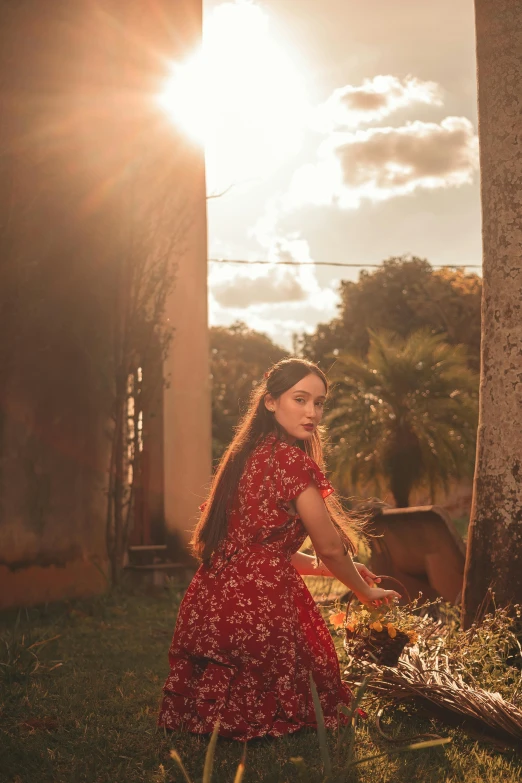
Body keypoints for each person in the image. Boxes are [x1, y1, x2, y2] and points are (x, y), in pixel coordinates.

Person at [158, 358, 400, 741]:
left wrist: (326, 571)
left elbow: (264, 552)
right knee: (312, 672)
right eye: (300, 400)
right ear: (270, 402)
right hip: (259, 605)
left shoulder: (243, 457)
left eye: (319, 403)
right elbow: (331, 547)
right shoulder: (292, 462)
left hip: (210, 602)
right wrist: (363, 590)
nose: (312, 413)